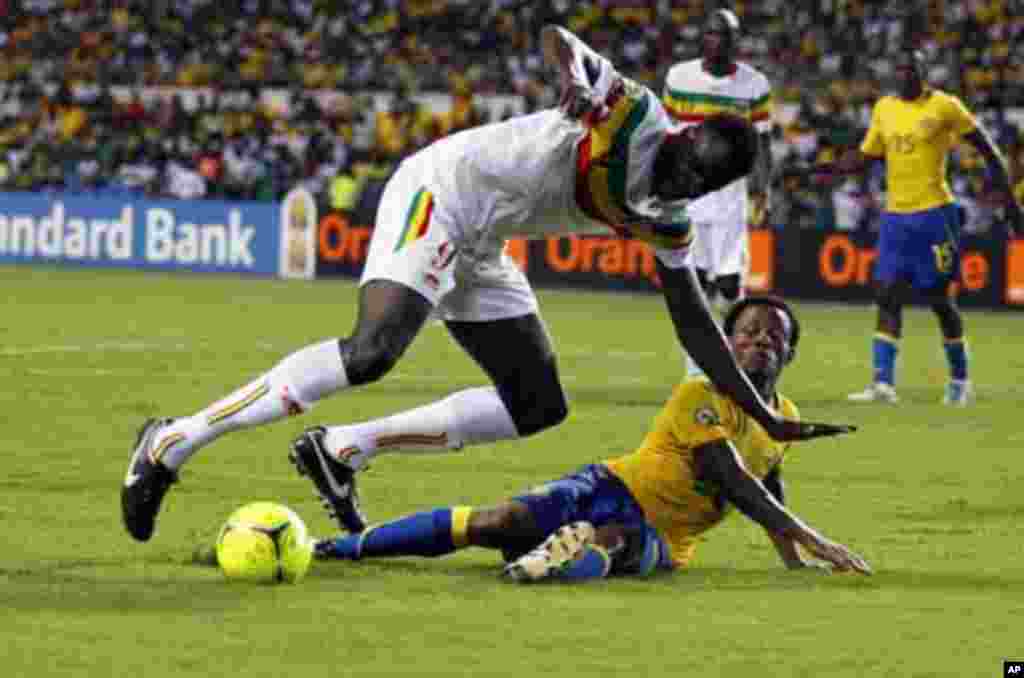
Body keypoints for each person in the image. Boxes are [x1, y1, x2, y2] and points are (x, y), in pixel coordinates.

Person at [121, 25, 852, 543]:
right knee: (374, 350)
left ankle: (343, 448)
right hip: (442, 191)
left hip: (485, 240)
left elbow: (695, 323)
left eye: (702, 187)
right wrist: (570, 77)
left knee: (538, 403)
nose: (684, 184)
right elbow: (558, 35)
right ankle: (174, 442)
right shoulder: (635, 114)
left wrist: (761, 410)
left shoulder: (668, 217)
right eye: (690, 167)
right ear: (687, 137)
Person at [313, 297, 872, 582]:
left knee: (619, 540)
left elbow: (769, 481)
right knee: (494, 523)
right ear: (727, 343)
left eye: (774, 335)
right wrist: (815, 539)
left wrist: (794, 559)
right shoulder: (698, 395)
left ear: (790, 353)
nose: (760, 340)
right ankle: (341, 547)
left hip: (663, 538)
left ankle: (554, 560)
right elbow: (734, 481)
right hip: (607, 484)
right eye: (748, 331)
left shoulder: (785, 417)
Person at [828, 47, 1023, 405]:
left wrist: (1010, 201)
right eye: (898, 70)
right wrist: (831, 168)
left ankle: (960, 380)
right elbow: (868, 154)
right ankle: (883, 384)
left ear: (922, 74)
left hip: (935, 215)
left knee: (939, 300)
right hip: (895, 217)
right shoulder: (884, 108)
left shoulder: (944, 106)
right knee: (887, 295)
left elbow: (987, 149)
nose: (903, 76)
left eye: (910, 70)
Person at [663, 8, 774, 378]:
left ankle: (735, 362)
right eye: (711, 34)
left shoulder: (754, 85)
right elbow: (666, 136)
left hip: (730, 197)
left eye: (725, 36)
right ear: (703, 38)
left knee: (728, 286)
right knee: (692, 283)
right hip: (689, 197)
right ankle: (695, 368)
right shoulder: (679, 79)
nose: (718, 42)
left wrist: (762, 191)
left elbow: (763, 143)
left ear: (736, 41)